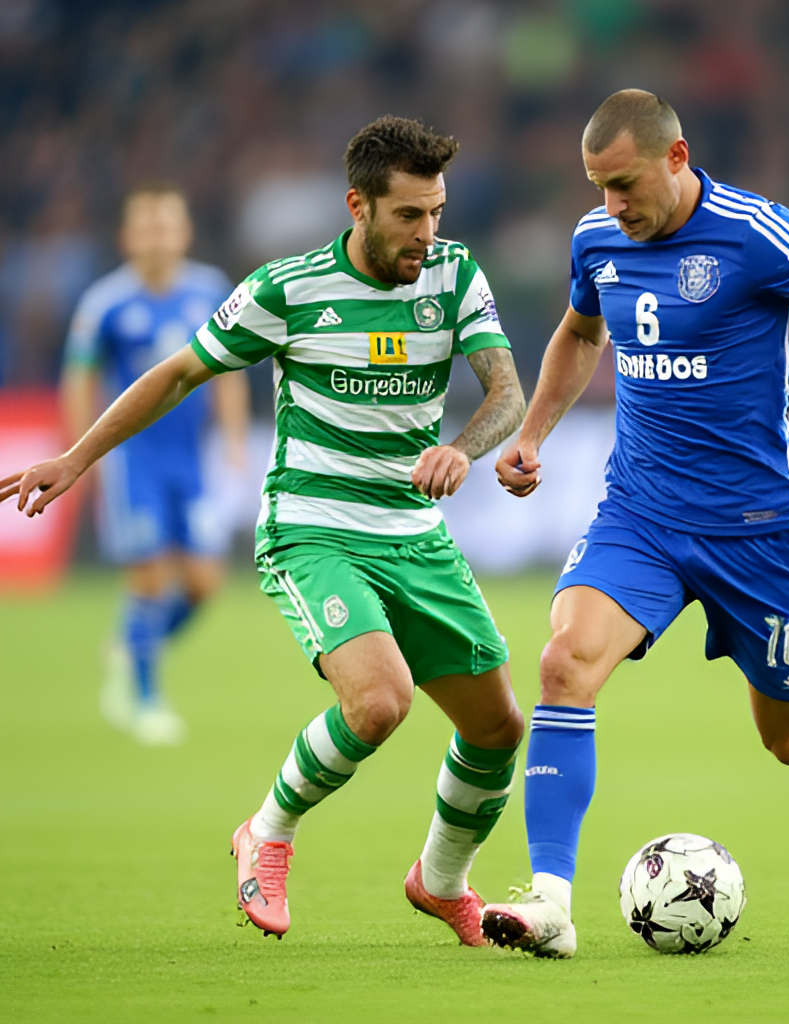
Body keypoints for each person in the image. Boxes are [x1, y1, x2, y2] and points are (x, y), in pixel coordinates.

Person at [2, 117, 527, 945]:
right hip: (313, 528)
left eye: (437, 213)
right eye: (408, 216)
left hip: (414, 532)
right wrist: (74, 457)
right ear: (358, 205)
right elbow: (179, 373)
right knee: (381, 701)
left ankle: (440, 881)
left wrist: (462, 450)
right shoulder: (287, 288)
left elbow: (507, 393)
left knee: (499, 729)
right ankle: (269, 830)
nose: (428, 234)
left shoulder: (456, 276)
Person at [484, 90, 789, 958]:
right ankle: (550, 900)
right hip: (641, 510)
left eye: (625, 185)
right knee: (564, 663)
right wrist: (531, 432)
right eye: (598, 188)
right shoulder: (598, 241)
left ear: (676, 159)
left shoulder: (757, 233)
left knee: (788, 736)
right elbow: (578, 333)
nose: (612, 207)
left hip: (757, 528)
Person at [62, 184, 249, 746]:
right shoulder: (105, 302)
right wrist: (82, 452)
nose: (157, 237)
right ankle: (143, 698)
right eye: (146, 227)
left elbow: (230, 369)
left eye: (166, 226)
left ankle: (130, 646)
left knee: (203, 583)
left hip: (190, 460)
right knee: (148, 580)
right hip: (132, 461)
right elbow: (80, 379)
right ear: (127, 237)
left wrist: (234, 436)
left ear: (184, 233)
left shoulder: (210, 290)